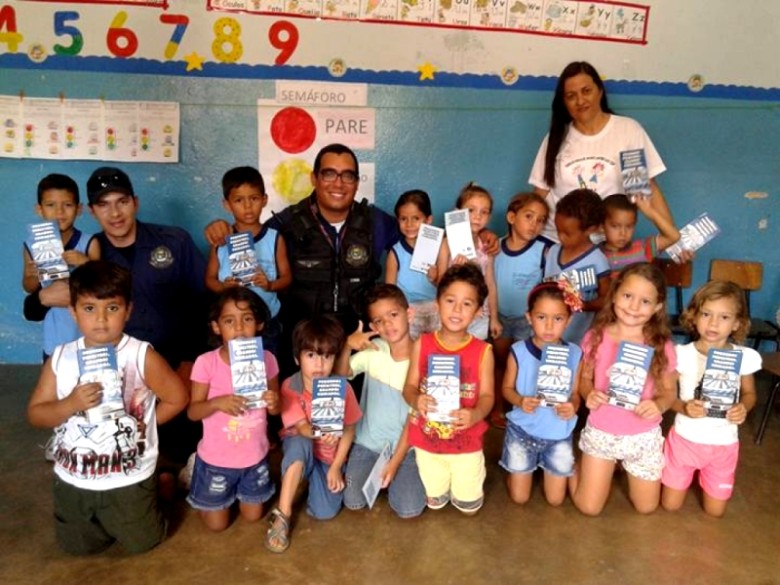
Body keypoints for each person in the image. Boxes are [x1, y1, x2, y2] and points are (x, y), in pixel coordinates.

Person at [26, 260, 188, 555]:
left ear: (128, 311)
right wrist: (70, 404)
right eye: (89, 309)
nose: (101, 319)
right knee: (78, 548)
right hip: (76, 478)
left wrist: (142, 426)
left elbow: (178, 397)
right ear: (73, 312)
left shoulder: (141, 355)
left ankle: (162, 484)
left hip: (130, 475)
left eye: (112, 308)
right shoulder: (61, 358)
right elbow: (36, 413)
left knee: (143, 543)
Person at [204, 143, 399, 344]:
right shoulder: (285, 224)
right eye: (329, 174)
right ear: (314, 178)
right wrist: (222, 227)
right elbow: (250, 232)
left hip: (361, 336)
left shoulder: (376, 222)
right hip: (303, 340)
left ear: (357, 183)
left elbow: (415, 241)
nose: (338, 184)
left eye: (348, 176)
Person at [82, 167, 206, 464]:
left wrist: (191, 363)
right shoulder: (88, 254)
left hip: (176, 358)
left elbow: (201, 303)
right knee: (120, 443)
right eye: (103, 204)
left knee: (184, 438)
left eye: (122, 201)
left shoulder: (174, 241)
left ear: (135, 202)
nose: (115, 212)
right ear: (91, 211)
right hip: (119, 366)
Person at [569, 262, 677, 516]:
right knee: (589, 508)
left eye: (645, 301)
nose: (634, 307)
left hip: (642, 436)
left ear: (658, 306)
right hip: (603, 430)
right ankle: (572, 467)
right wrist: (588, 393)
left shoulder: (661, 345)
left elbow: (669, 392)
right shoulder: (596, 336)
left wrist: (658, 405)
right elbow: (584, 379)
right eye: (628, 296)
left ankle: (610, 467)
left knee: (647, 507)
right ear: (615, 294)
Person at [529, 61, 675, 243]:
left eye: (586, 91)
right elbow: (538, 195)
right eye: (571, 96)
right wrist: (519, 237)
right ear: (564, 102)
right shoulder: (556, 137)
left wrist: (674, 239)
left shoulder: (627, 131)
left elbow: (645, 188)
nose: (580, 101)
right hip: (558, 241)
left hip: (607, 242)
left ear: (600, 91)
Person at [661, 281, 760, 517]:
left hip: (723, 444)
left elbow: (750, 394)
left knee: (715, 512)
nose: (713, 323)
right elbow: (666, 396)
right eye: (706, 314)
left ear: (737, 323)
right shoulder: (681, 354)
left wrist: (743, 408)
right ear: (694, 316)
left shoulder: (743, 357)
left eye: (724, 317)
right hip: (685, 441)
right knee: (670, 505)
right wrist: (683, 407)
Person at [186, 287, 281, 532]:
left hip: (254, 457)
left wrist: (273, 401)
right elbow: (193, 412)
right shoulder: (206, 362)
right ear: (217, 327)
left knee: (252, 517)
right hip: (217, 460)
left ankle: (237, 489)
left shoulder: (267, 359)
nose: (239, 328)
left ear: (258, 324)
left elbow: (274, 410)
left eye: (247, 319)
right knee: (217, 525)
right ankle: (194, 472)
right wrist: (218, 402)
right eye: (229, 321)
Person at [403, 263, 494, 514]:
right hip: (428, 442)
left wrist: (475, 414)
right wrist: (416, 400)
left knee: (468, 506)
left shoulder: (483, 351)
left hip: (466, 443)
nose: (457, 309)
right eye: (450, 300)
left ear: (478, 311)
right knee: (435, 500)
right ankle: (438, 482)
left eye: (467, 304)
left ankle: (469, 479)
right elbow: (408, 388)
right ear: (437, 302)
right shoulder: (422, 343)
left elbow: (487, 396)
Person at [266, 316, 362, 553]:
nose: (319, 364)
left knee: (325, 512)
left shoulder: (343, 387)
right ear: (297, 358)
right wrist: (320, 431)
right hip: (302, 442)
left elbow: (350, 429)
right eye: (311, 355)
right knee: (299, 444)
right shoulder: (291, 385)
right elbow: (301, 428)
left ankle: (309, 477)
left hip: (328, 455)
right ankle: (283, 514)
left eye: (327, 356)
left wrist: (336, 466)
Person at [334, 284, 426, 519]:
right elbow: (341, 374)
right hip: (367, 444)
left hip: (406, 449)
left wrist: (394, 463)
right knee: (353, 501)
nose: (388, 325)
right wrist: (347, 346)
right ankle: (382, 478)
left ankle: (396, 478)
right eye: (379, 321)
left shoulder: (423, 359)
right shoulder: (374, 351)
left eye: (393, 315)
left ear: (409, 314)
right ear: (373, 327)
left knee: (409, 510)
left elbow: (415, 419)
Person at [500, 280, 583, 506]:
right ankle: (517, 471)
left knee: (556, 500)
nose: (548, 326)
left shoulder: (575, 353)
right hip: (522, 431)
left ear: (568, 320)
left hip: (557, 433)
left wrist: (572, 405)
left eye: (557, 318)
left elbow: (575, 393)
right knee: (519, 498)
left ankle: (572, 465)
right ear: (529, 317)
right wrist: (520, 400)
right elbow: (506, 389)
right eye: (541, 317)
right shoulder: (518, 351)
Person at [205, 166, 292, 355]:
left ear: (264, 200)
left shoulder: (274, 238)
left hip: (266, 321)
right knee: (232, 373)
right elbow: (209, 279)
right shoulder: (220, 241)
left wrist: (269, 285)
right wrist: (223, 288)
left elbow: (287, 278)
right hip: (231, 325)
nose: (247, 206)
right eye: (238, 200)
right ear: (227, 204)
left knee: (267, 368)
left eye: (253, 198)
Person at [22, 173, 100, 360]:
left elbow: (102, 285)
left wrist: (86, 263)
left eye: (67, 205)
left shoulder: (89, 243)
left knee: (88, 384)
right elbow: (29, 287)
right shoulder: (32, 245)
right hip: (55, 335)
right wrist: (32, 274)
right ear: (39, 210)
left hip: (88, 335)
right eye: (50, 205)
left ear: (79, 209)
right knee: (56, 384)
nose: (59, 212)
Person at [492, 192, 552, 428]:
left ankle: (525, 411)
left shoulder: (545, 250)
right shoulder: (494, 247)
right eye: (529, 216)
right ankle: (497, 409)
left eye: (540, 220)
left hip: (528, 321)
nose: (534, 224)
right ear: (511, 217)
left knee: (528, 366)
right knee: (499, 363)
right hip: (500, 319)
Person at [543, 189, 610, 344]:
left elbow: (606, 299)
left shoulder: (597, 260)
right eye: (558, 230)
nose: (560, 237)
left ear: (590, 229)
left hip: (578, 338)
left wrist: (583, 305)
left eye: (567, 233)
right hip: (549, 333)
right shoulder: (553, 252)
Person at [436, 182, 501, 341]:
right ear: (457, 213)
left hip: (479, 315)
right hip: (452, 314)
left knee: (474, 358)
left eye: (484, 212)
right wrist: (455, 270)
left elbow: (490, 284)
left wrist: (494, 318)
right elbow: (440, 283)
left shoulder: (486, 247)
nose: (477, 216)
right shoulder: (446, 244)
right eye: (471, 210)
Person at [385, 189, 439, 339]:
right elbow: (390, 292)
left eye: (416, 218)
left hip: (436, 308)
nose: (409, 224)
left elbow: (449, 286)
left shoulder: (440, 247)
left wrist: (435, 278)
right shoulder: (395, 252)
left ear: (428, 220)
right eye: (403, 218)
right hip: (408, 310)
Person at [601, 193, 680, 276]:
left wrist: (651, 213)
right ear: (602, 226)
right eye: (615, 226)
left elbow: (674, 236)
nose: (623, 233)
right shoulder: (596, 254)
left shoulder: (643, 248)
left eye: (629, 226)